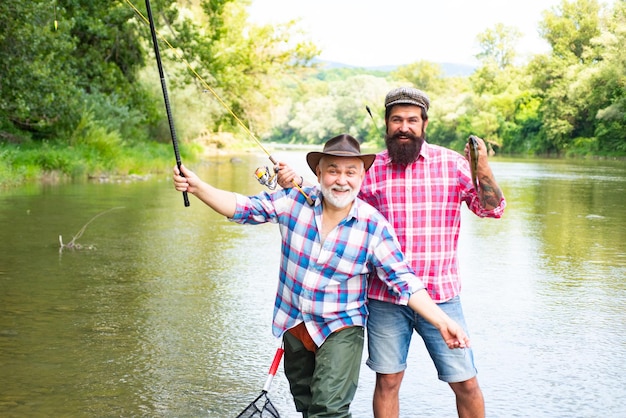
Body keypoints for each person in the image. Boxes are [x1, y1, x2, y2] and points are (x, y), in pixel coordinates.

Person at [173, 133, 471, 418]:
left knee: (329, 410)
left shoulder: (372, 225)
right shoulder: (292, 201)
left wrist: (443, 322)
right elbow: (244, 208)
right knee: (307, 406)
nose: (341, 180)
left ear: (361, 178)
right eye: (333, 171)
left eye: (350, 173)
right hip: (293, 322)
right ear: (318, 173)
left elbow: (404, 281)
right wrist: (198, 187)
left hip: (341, 326)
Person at [276, 88, 506, 418]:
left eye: (412, 120)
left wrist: (480, 166)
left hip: (440, 295)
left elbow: (492, 210)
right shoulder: (370, 170)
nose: (404, 127)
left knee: (465, 382)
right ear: (386, 124)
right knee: (387, 382)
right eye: (396, 120)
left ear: (424, 124)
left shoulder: (452, 165)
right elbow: (330, 198)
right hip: (383, 296)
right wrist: (293, 182)